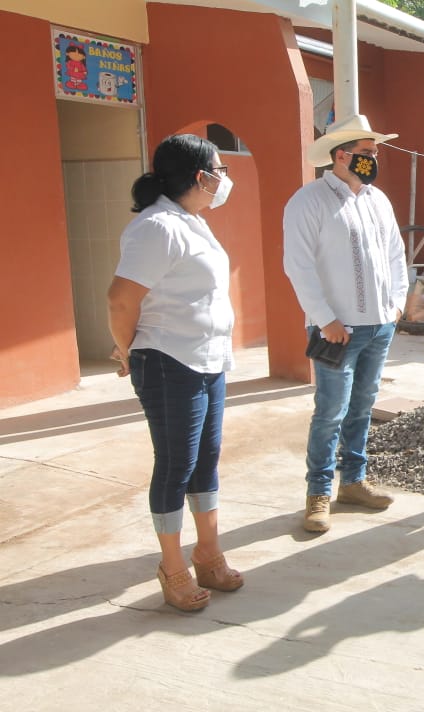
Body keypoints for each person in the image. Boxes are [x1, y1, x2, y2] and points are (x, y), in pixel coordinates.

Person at [107, 134, 243, 611]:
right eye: (220, 170)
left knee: (205, 461)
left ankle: (208, 553)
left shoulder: (193, 222)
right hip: (168, 361)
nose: (225, 178)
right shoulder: (157, 226)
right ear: (200, 176)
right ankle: (172, 565)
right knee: (175, 466)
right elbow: (121, 299)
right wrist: (127, 352)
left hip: (207, 360)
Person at [283, 114, 408, 533]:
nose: (374, 160)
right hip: (336, 330)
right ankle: (318, 493)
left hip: (378, 325)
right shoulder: (309, 201)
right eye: (367, 154)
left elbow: (395, 254)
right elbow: (298, 266)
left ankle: (353, 483)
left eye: (375, 153)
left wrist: (396, 304)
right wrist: (325, 320)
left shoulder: (378, 200)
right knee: (331, 411)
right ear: (342, 155)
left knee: (363, 408)